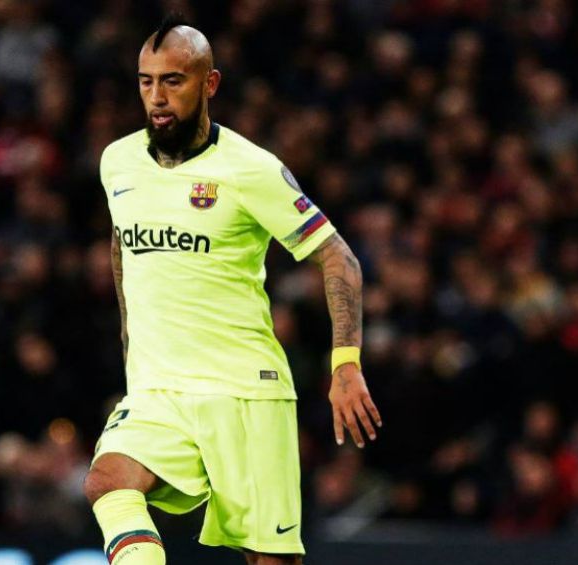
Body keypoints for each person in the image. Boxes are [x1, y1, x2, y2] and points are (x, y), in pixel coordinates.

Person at [83, 16, 382, 565]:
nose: (157, 97)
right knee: (108, 481)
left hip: (244, 391)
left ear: (210, 83)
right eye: (146, 81)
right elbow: (123, 245)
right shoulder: (117, 161)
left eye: (173, 81)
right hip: (158, 390)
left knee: (270, 560)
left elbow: (339, 257)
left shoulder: (251, 169)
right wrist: (131, 345)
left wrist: (345, 364)